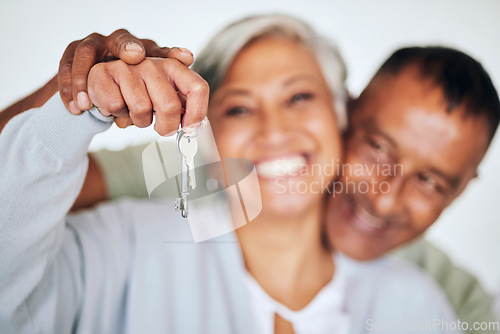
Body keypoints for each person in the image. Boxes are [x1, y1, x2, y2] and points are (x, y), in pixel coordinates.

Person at [0, 14, 460, 334]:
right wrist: (79, 106)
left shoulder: (419, 304)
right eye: (239, 108)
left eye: (299, 97)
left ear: (343, 114)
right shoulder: (118, 245)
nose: (274, 129)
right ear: (206, 129)